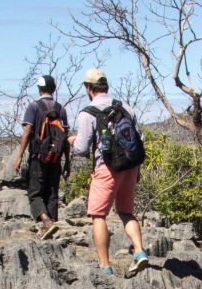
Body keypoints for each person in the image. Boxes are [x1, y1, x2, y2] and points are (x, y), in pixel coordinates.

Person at [71, 68, 151, 278]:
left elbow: (80, 148)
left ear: (89, 88)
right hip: (131, 166)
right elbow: (139, 139)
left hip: (107, 167)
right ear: (106, 86)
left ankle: (105, 266)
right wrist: (138, 169)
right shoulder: (125, 107)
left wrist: (71, 141)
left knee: (98, 215)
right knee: (126, 212)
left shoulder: (88, 113)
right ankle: (139, 250)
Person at [11, 74, 69, 239]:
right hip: (56, 159)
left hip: (38, 156)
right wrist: (68, 162)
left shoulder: (34, 107)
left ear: (39, 89)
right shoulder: (61, 109)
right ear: (53, 89)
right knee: (52, 193)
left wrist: (19, 156)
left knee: (34, 193)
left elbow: (27, 132)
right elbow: (65, 138)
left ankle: (46, 222)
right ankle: (51, 229)